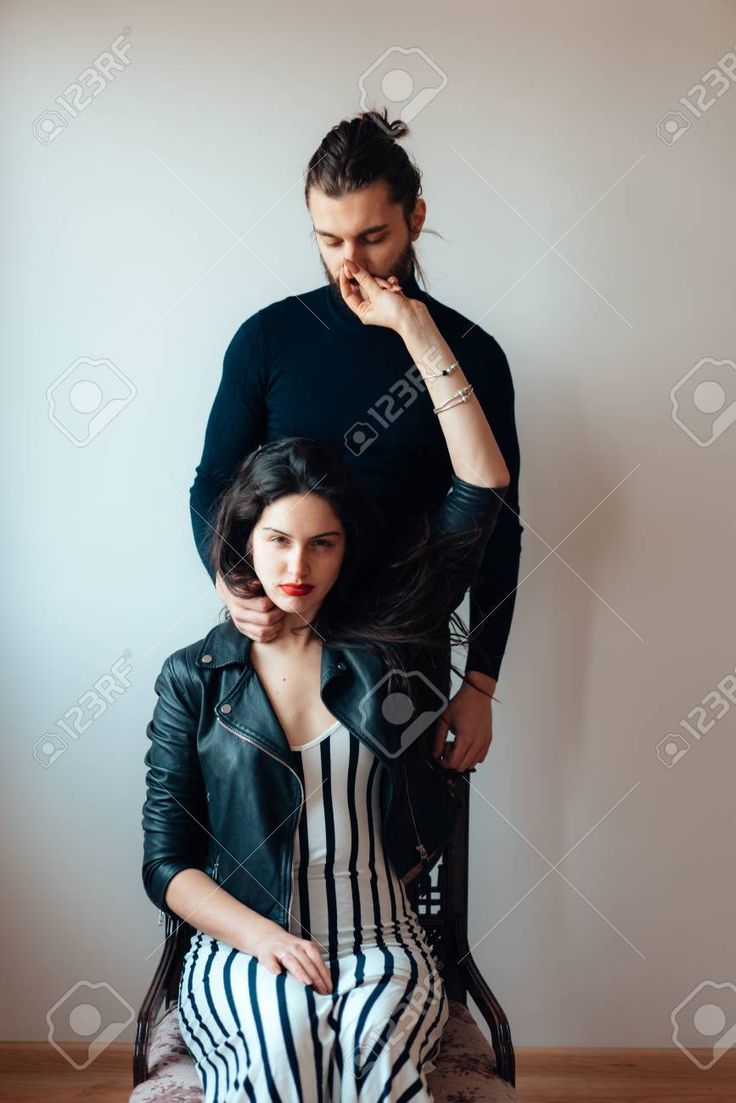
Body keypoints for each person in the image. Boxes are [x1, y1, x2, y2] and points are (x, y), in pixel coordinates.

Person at [142, 260, 511, 1101]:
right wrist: (263, 939)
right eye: (276, 540)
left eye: (322, 543)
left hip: (382, 941)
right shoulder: (195, 679)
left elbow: (482, 488)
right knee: (281, 1047)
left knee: (375, 1064)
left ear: (349, 550)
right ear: (242, 540)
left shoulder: (391, 648)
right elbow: (166, 863)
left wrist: (417, 329)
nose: (297, 566)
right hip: (242, 945)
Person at [190, 107, 523, 776]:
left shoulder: (474, 356)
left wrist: (480, 683)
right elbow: (212, 486)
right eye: (329, 239)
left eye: (372, 236)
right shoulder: (268, 340)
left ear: (415, 219)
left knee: (386, 860)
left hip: (404, 657)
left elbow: (500, 530)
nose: (350, 261)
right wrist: (231, 582)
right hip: (280, 644)